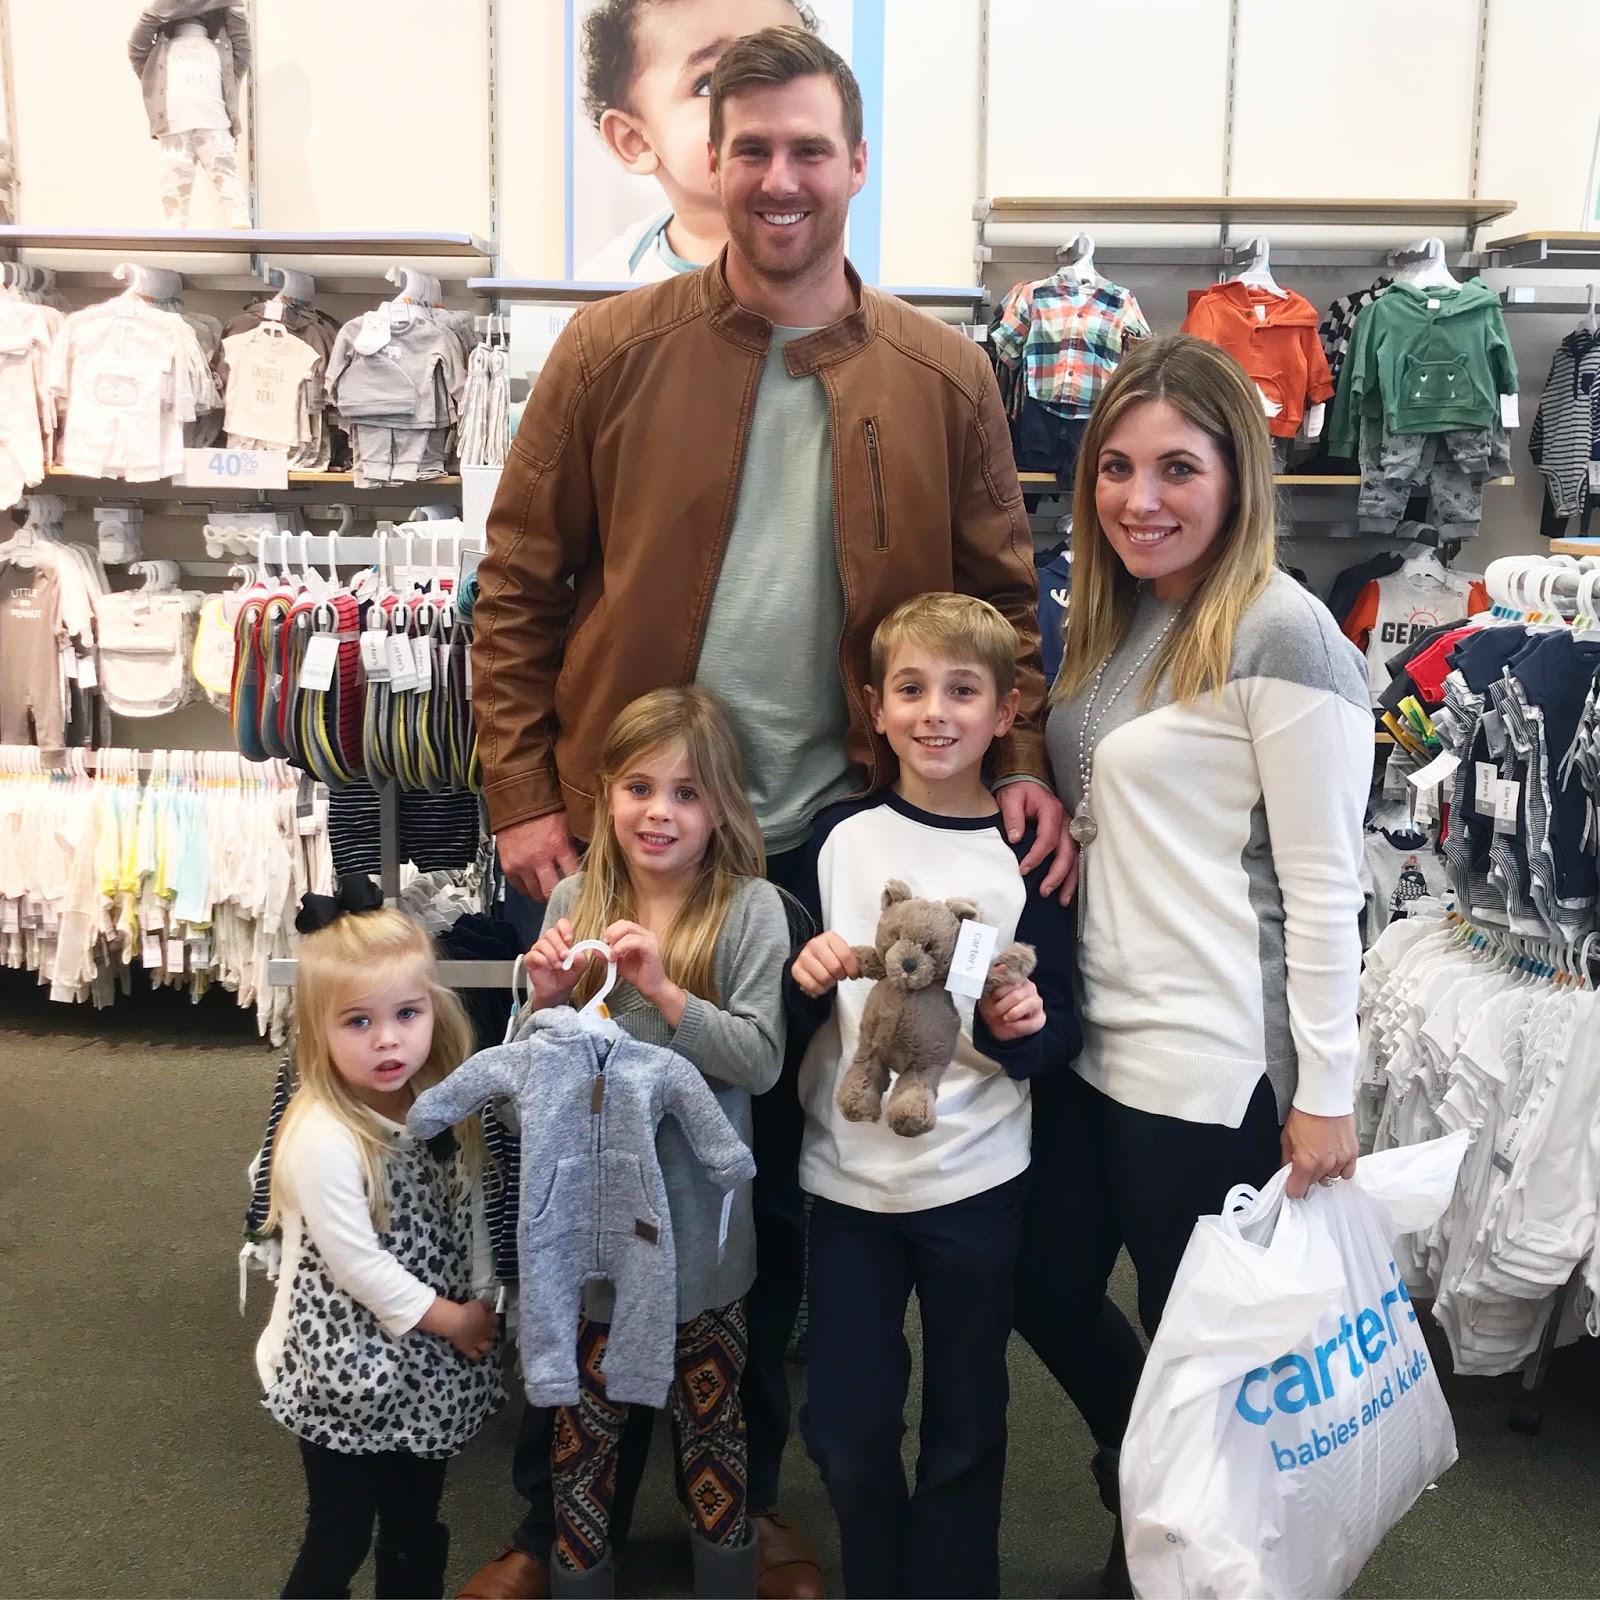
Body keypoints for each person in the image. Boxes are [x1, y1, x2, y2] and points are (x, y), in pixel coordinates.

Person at [471, 25, 1069, 1600]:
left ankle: (746, 1499)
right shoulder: (611, 351)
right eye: (753, 150)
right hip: (635, 827)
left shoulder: (941, 372)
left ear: (857, 163)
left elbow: (1005, 597)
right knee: (580, 1168)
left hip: (830, 843)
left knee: (777, 1188)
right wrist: (525, 791)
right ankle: (551, 1515)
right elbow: (518, 583)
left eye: (811, 149)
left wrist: (1018, 758)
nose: (782, 179)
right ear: (709, 161)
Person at [1013, 333, 1369, 1595]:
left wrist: (1326, 1089)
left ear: (1236, 476)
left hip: (1210, 1064)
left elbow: (1325, 886)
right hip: (1096, 1040)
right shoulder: (1124, 617)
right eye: (1115, 467)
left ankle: (1168, 1561)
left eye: (1177, 468)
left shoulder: (1285, 632)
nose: (1139, 497)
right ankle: (1148, 1478)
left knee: (1198, 1350)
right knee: (1043, 1284)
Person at [787, 594, 1080, 1599]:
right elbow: (788, 1000)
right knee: (846, 1430)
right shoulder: (835, 839)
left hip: (977, 1180)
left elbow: (1061, 1018)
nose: (935, 712)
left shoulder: (1024, 856)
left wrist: (1029, 1026)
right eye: (910, 689)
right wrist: (804, 975)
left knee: (967, 1423)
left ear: (1006, 712)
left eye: (963, 690)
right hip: (849, 1184)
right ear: (874, 706)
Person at [517, 687, 788, 1598]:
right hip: (592, 1245)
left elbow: (760, 1063)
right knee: (583, 1440)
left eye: (686, 792)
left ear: (722, 809)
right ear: (606, 794)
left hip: (703, 1242)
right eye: (639, 787)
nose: (659, 812)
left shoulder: (751, 910)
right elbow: (524, 1098)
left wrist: (667, 992)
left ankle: (725, 1578)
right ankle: (579, 1575)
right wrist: (541, 1003)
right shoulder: (573, 898)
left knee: (712, 1433)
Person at [256, 881, 503, 1599]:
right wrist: (455, 1320)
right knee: (339, 1535)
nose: (388, 1039)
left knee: (415, 1525)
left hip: (428, 1364)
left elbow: (470, 1206)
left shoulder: (441, 1103)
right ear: (318, 1032)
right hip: (346, 1367)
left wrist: (485, 1295)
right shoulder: (322, 1134)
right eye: (358, 1021)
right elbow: (357, 1265)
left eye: (406, 1013)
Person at [577, 0, 820, 281]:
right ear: (634, 140)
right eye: (709, 84)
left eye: (791, 72)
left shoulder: (840, 267)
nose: (769, 100)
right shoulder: (611, 283)